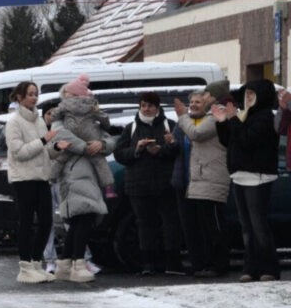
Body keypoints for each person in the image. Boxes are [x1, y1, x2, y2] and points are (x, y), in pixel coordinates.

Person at [213, 79, 280, 282]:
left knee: (258, 224)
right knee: (246, 227)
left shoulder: (265, 117)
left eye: (252, 94)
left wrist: (233, 120)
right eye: (246, 94)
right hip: (240, 175)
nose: (248, 98)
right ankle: (250, 267)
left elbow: (248, 140)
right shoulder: (244, 115)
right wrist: (222, 122)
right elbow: (228, 141)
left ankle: (269, 268)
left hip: (258, 176)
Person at [48, 86, 116, 283]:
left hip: (90, 174)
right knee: (83, 218)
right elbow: (62, 139)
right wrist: (88, 147)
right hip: (72, 172)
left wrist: (102, 145)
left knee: (80, 220)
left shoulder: (92, 118)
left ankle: (64, 264)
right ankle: (78, 264)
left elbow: (108, 138)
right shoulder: (60, 120)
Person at [114, 92, 182, 275]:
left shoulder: (170, 125)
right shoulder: (131, 128)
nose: (146, 109)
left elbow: (179, 150)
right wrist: (137, 149)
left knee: (170, 224)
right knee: (145, 224)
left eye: (150, 106)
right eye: (143, 105)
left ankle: (172, 264)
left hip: (166, 184)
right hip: (139, 186)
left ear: (157, 108)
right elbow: (119, 154)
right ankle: (148, 265)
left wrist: (162, 149)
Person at [172, 84, 231, 277]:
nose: (202, 99)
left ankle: (219, 265)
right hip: (202, 180)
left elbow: (196, 134)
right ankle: (207, 264)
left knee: (214, 225)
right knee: (205, 225)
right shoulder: (211, 115)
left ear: (214, 96)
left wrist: (182, 115)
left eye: (204, 95)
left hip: (212, 178)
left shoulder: (217, 115)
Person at [5, 81, 59, 284]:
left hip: (42, 177)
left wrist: (57, 147)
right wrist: (44, 141)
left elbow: (46, 149)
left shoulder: (38, 121)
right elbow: (19, 153)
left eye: (36, 94)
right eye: (30, 94)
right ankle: (25, 266)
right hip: (23, 178)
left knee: (47, 221)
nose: (34, 98)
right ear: (19, 97)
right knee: (26, 222)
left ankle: (37, 262)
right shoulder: (14, 123)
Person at [49, 74, 115, 198]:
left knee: (61, 159)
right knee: (100, 162)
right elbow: (106, 125)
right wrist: (91, 146)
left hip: (82, 173)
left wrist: (101, 144)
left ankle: (51, 178)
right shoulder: (91, 106)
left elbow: (54, 117)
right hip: (89, 142)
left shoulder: (63, 108)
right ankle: (109, 187)